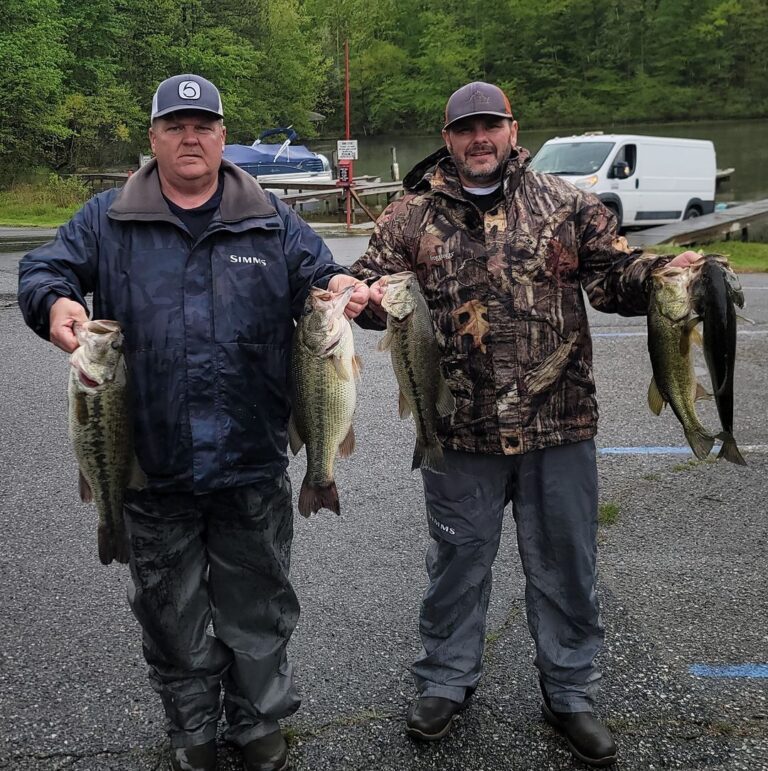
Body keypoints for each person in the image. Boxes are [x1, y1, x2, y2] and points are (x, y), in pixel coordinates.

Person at [18, 74, 367, 771]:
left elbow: (324, 275)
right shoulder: (107, 218)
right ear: (152, 138)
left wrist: (344, 289)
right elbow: (44, 267)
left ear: (221, 135)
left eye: (202, 124)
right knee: (170, 614)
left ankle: (259, 718)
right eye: (175, 125)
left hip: (252, 462)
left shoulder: (270, 217)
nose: (189, 136)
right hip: (150, 464)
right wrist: (54, 301)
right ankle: (193, 728)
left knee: (259, 604)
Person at [350, 81, 703, 767]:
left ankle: (571, 693)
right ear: (448, 138)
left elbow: (613, 277)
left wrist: (665, 272)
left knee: (567, 566)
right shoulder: (409, 216)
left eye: (491, 126)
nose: (479, 139)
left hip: (559, 424)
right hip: (460, 434)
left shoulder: (566, 204)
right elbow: (368, 283)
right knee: (455, 565)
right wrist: (353, 295)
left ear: (513, 130)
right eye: (465, 128)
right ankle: (445, 681)